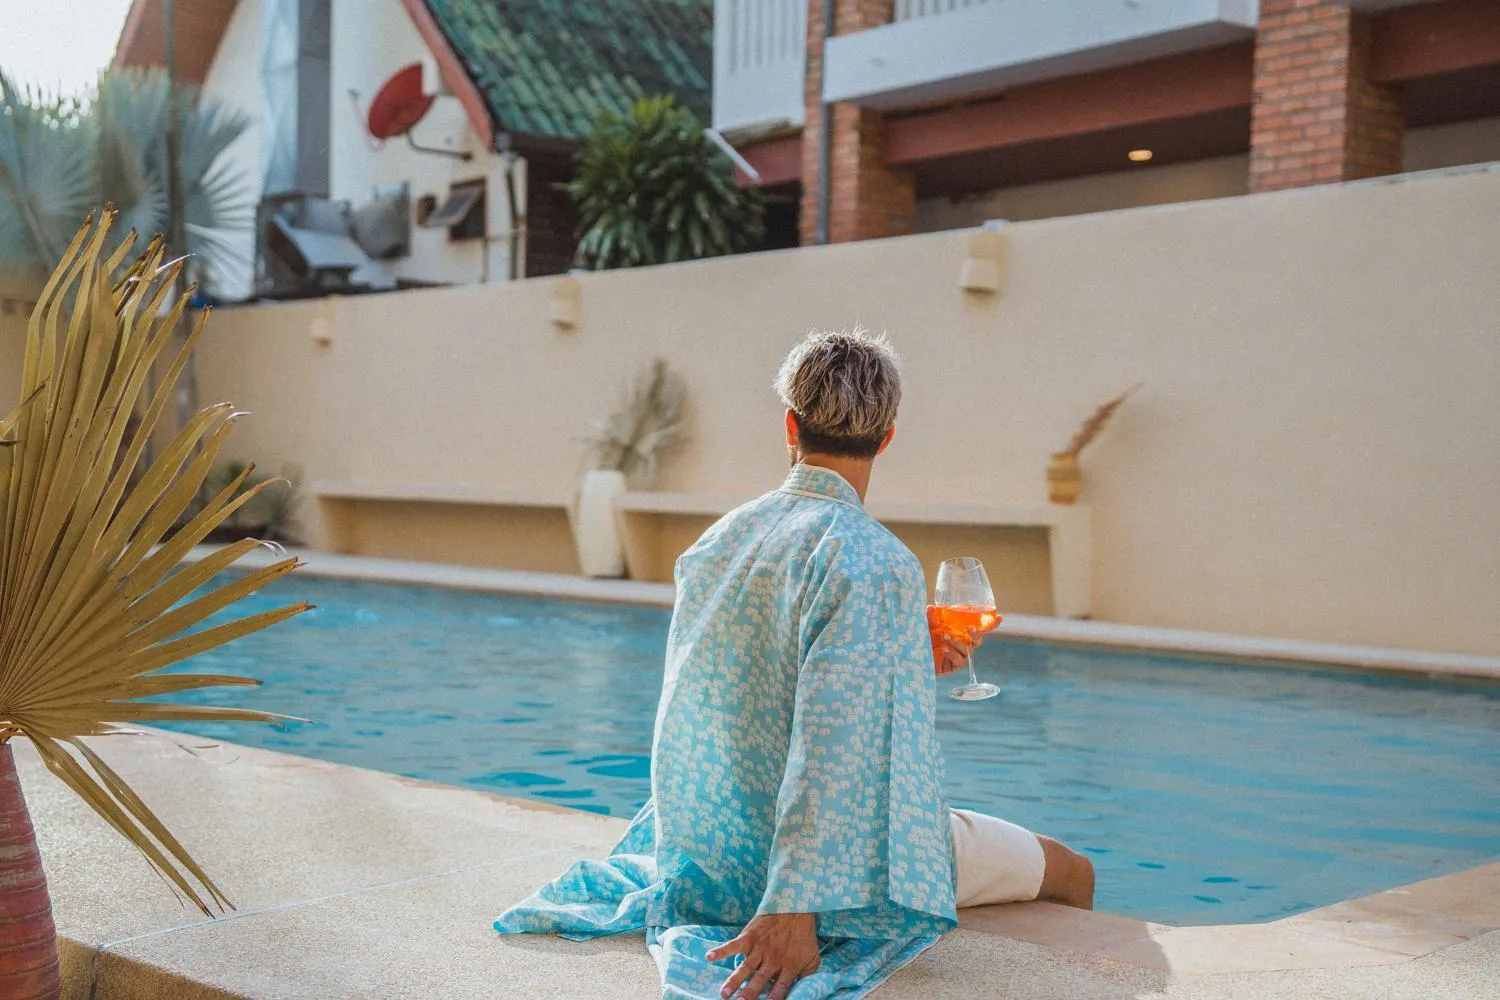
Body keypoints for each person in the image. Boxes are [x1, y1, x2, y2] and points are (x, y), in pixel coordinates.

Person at [495, 329, 1094, 1000]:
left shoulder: (717, 542)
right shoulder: (874, 560)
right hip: (827, 876)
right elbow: (832, 745)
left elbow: (715, 704)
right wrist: (794, 908)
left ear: (791, 424)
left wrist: (904, 656)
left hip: (706, 856)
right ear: (888, 437)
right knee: (1073, 870)